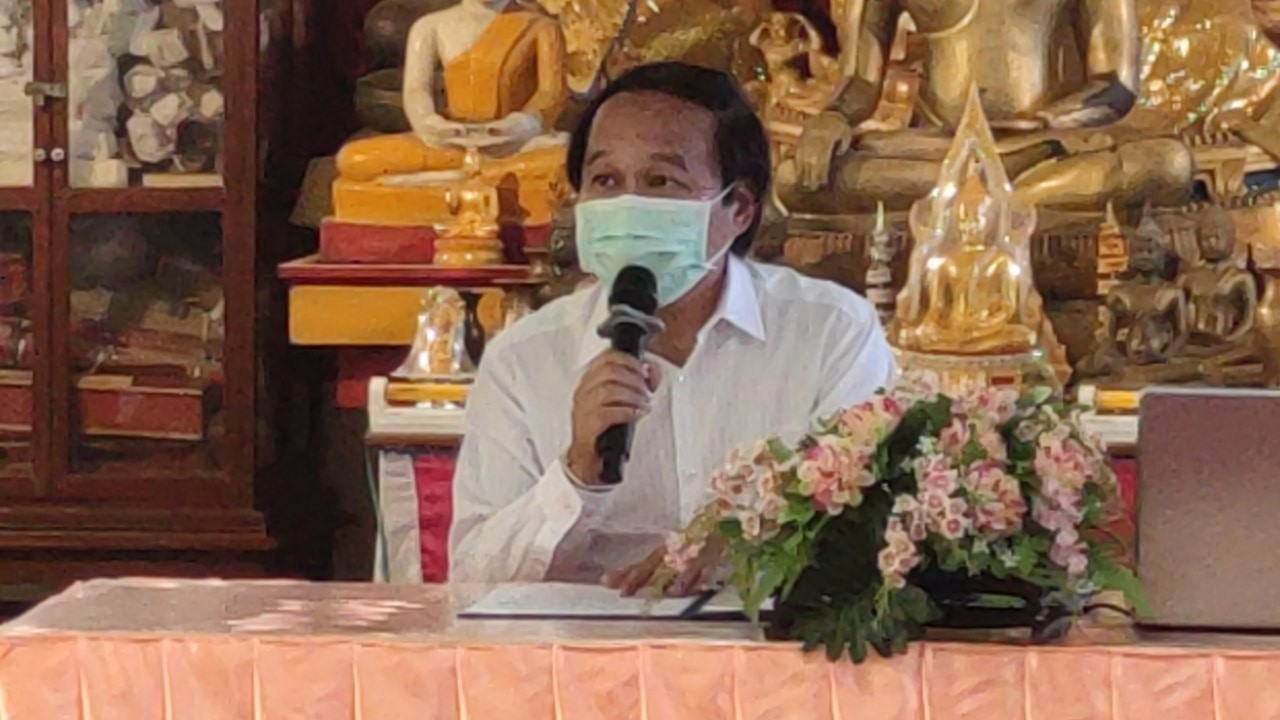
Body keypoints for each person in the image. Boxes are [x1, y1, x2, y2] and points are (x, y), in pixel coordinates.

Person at [448, 62, 897, 593]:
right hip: (584, 643)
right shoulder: (524, 359)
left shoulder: (831, 333)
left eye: (661, 181)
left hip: (768, 643)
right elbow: (474, 580)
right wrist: (577, 475)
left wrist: (746, 542)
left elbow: (878, 534)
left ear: (739, 208)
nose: (628, 206)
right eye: (606, 181)